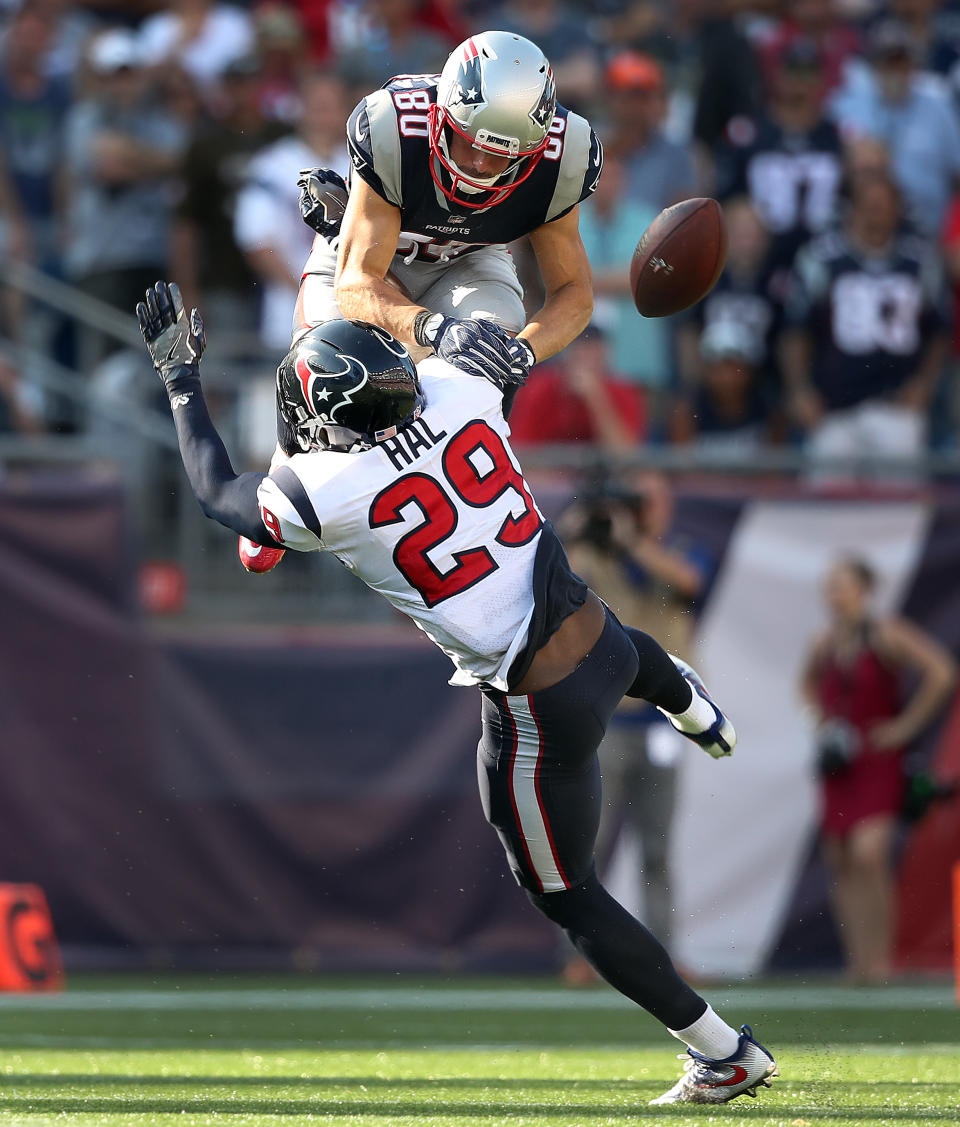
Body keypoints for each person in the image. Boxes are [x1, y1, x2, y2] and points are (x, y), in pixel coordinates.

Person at [136, 281, 779, 1106]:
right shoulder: (460, 386)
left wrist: (179, 376)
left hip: (535, 705)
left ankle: (723, 1052)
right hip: (591, 631)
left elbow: (214, 491)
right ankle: (697, 709)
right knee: (609, 633)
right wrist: (357, 253)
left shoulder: (325, 495)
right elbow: (421, 322)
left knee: (565, 892)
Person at [239, 29, 603, 572]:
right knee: (327, 367)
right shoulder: (392, 127)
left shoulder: (562, 155)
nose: (480, 163)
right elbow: (359, 281)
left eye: (500, 152)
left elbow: (575, 295)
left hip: (469, 257)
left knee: (488, 350)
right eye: (470, 141)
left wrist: (523, 352)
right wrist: (434, 331)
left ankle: (447, 499)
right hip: (375, 257)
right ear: (443, 118)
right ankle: (282, 480)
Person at [559, 471, 710, 970]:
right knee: (588, 842)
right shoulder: (597, 554)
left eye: (647, 501)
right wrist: (578, 527)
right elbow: (553, 571)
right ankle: (583, 955)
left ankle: (663, 954)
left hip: (663, 719)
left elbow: (687, 582)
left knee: (657, 846)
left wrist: (633, 542)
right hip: (608, 717)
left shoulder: (683, 548)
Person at [800, 556, 956, 983]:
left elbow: (941, 672)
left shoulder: (885, 632)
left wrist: (904, 726)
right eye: (831, 586)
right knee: (840, 858)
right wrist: (820, 717)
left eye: (843, 585)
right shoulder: (825, 641)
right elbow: (807, 685)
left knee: (870, 853)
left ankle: (882, 959)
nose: (835, 594)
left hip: (877, 758)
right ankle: (859, 962)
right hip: (840, 762)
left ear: (864, 590)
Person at [781, 171, 949, 478]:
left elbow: (939, 332)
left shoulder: (921, 260)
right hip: (832, 408)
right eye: (869, 205)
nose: (877, 212)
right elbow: (795, 330)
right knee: (829, 502)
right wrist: (800, 390)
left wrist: (924, 385)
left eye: (884, 205)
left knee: (899, 506)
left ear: (898, 209)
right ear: (852, 207)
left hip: (897, 406)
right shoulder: (821, 258)